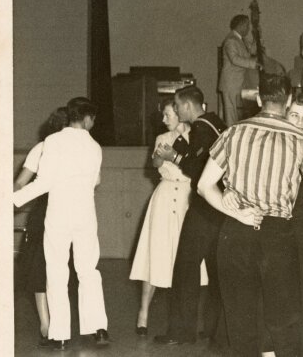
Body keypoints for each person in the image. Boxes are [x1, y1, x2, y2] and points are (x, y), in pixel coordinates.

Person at [198, 73, 303, 357]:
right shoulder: (299, 140)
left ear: (257, 98)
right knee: (282, 323)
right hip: (279, 236)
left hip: (236, 233)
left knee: (242, 324)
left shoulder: (234, 132)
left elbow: (204, 186)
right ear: (289, 99)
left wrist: (237, 212)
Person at [13, 97, 109, 350]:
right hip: (86, 214)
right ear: (87, 119)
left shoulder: (53, 142)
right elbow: (95, 182)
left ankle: (61, 334)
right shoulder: (95, 147)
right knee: (89, 270)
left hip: (59, 214)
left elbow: (43, 182)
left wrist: (13, 200)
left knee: (56, 271)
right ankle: (98, 329)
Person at [153, 86, 227, 346]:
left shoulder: (202, 128)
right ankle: (217, 331)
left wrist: (172, 156)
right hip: (220, 208)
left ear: (186, 105)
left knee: (185, 268)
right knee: (217, 272)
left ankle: (181, 331)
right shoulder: (217, 122)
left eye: (176, 104)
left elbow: (197, 168)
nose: (174, 109)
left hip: (204, 209)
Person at [129, 97, 204, 336]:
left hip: (188, 198)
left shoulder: (196, 136)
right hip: (163, 197)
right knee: (154, 254)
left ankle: (187, 320)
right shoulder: (161, 139)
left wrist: (175, 156)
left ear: (180, 114)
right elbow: (153, 163)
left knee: (188, 258)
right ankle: (143, 314)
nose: (163, 120)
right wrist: (160, 157)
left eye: (167, 115)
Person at [13, 107, 69, 347]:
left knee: (52, 268)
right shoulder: (44, 148)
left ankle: (54, 323)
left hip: (63, 211)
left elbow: (19, 183)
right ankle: (47, 324)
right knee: (41, 267)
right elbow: (20, 184)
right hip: (52, 212)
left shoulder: (54, 147)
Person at [219, 14, 262, 126]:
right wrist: (254, 64)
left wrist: (257, 37)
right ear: (241, 25)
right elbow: (234, 59)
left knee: (235, 114)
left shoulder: (240, 40)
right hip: (231, 83)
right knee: (231, 115)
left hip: (238, 83)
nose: (248, 28)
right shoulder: (231, 40)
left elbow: (250, 52)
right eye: (247, 25)